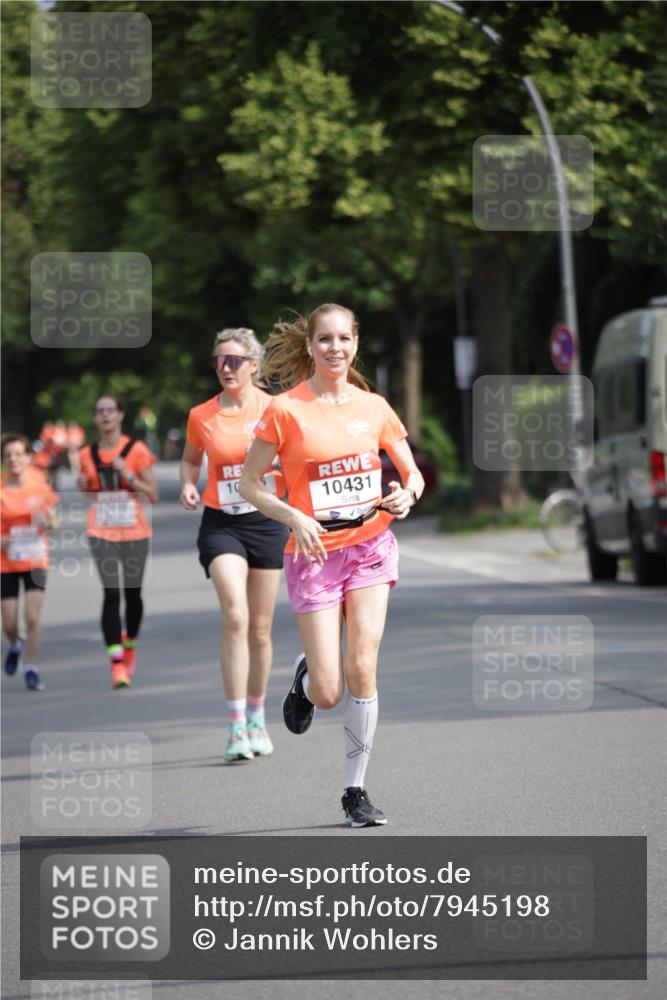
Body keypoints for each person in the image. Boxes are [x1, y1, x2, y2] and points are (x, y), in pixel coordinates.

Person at [239, 303, 424, 827]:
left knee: (363, 665)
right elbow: (250, 484)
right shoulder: (285, 410)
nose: (335, 348)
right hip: (314, 554)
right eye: (325, 339)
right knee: (329, 689)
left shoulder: (375, 407)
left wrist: (406, 495)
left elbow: (412, 475)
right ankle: (304, 679)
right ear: (311, 346)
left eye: (344, 338)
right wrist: (292, 515)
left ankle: (355, 791)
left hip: (369, 546)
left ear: (356, 343)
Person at [180, 328, 289, 762]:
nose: (226, 368)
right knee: (235, 614)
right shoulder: (201, 415)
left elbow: (299, 453)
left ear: (254, 366)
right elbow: (190, 460)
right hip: (221, 523)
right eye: (220, 360)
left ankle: (257, 716)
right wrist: (189, 485)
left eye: (235, 361)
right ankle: (234, 723)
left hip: (267, 521)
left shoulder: (276, 409)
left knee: (260, 629)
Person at [77, 397, 158, 688]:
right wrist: (84, 486)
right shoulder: (87, 453)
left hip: (135, 531)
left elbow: (153, 493)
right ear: (95, 419)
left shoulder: (135, 449)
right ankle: (116, 666)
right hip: (101, 530)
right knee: (111, 594)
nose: (105, 415)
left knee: (132, 594)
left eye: (110, 410)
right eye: (100, 411)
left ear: (121, 415)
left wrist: (130, 476)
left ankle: (130, 645)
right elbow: (88, 489)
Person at [1, 434, 60, 691]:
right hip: (7, 562)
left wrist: (46, 523)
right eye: (8, 455)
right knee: (10, 622)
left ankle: (32, 668)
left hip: (35, 556)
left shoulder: (40, 487)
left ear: (28, 457)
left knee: (33, 616)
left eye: (18, 454)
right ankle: (16, 644)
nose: (13, 459)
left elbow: (55, 524)